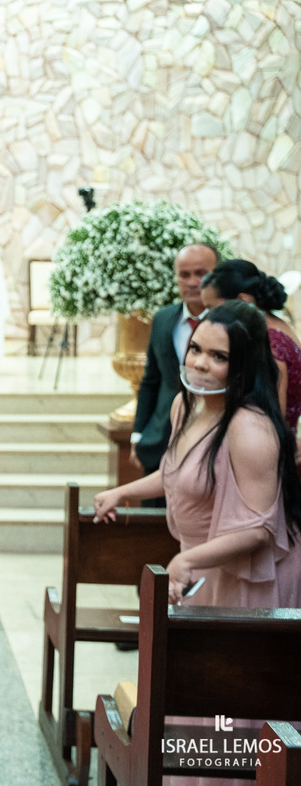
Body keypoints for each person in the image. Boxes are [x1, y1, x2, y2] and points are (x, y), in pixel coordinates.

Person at [96, 300, 301, 610]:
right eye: (196, 349)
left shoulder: (250, 427)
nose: (200, 363)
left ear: (245, 364)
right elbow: (175, 471)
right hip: (198, 565)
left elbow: (259, 530)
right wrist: (120, 492)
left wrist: (187, 559)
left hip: (242, 575)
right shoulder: (186, 404)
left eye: (219, 356)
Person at [131, 243, 220, 481]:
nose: (192, 282)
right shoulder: (162, 319)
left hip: (211, 444)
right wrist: (138, 434)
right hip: (159, 444)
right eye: (184, 274)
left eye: (201, 273)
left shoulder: (229, 323)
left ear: (217, 275)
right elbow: (151, 381)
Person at [200, 259, 301, 430]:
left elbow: (271, 423)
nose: (210, 317)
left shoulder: (268, 345)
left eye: (213, 309)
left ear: (243, 301)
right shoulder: (277, 325)